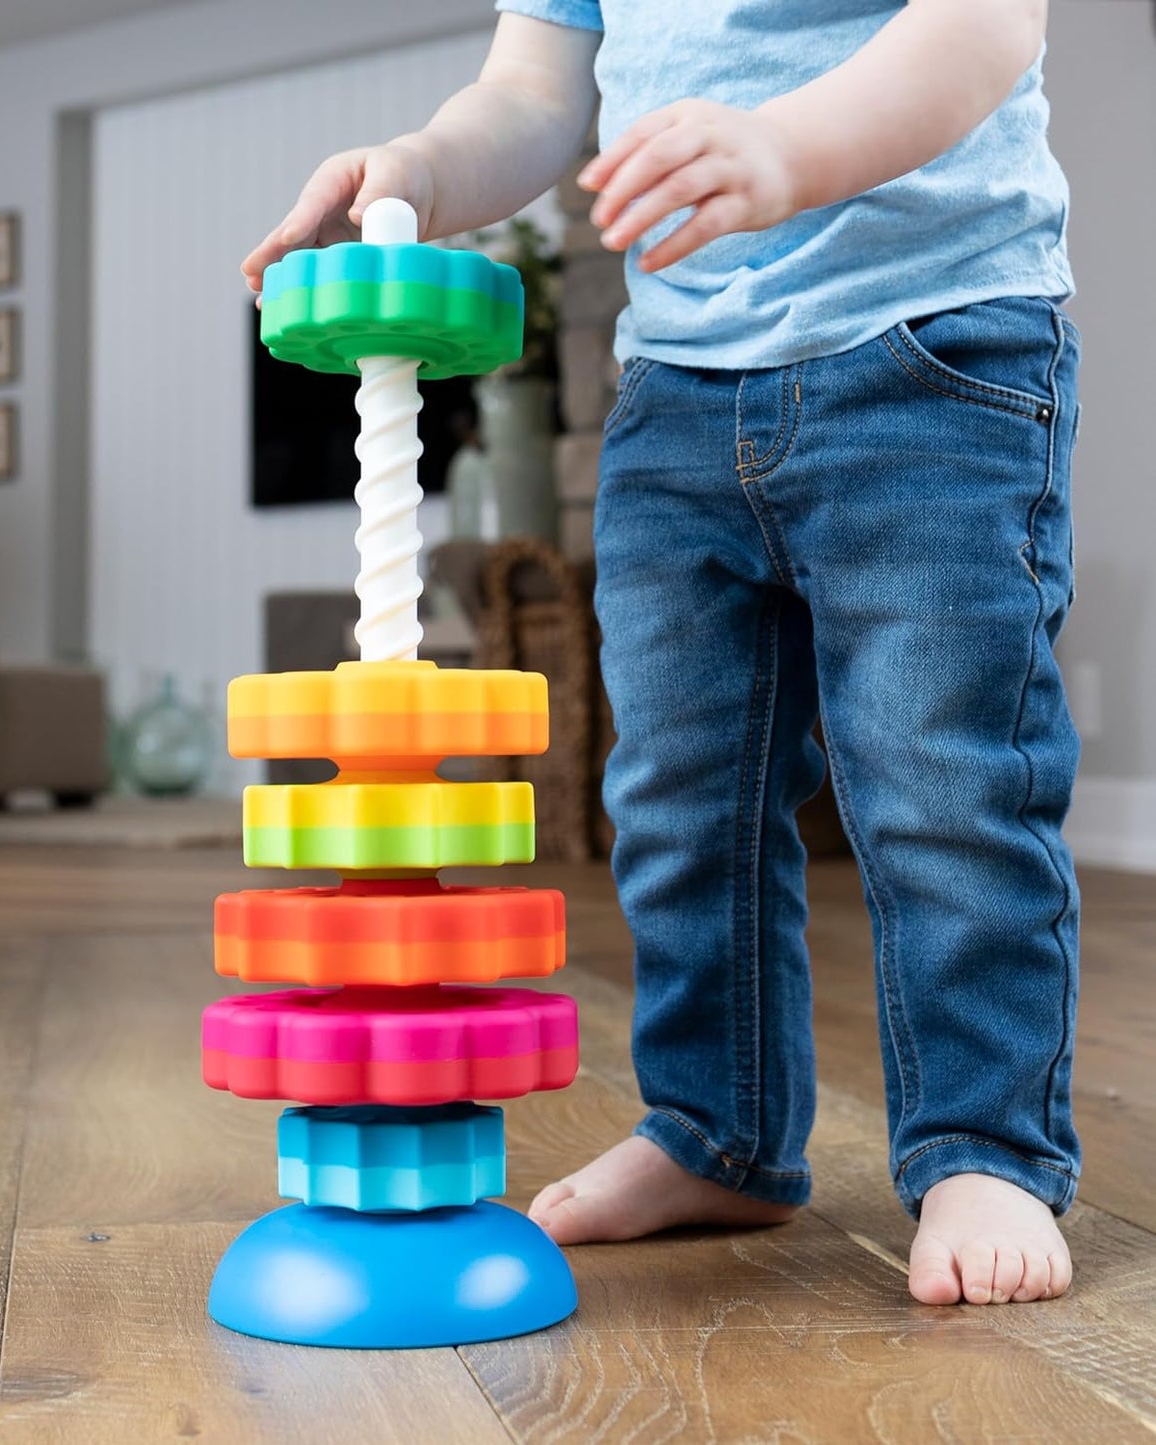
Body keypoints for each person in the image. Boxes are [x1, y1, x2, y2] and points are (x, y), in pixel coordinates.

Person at [242, 0, 1080, 1307]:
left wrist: (787, 152)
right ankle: (717, 1128)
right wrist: (417, 168)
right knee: (679, 798)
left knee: (940, 785)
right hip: (678, 389)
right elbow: (528, 93)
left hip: (932, 348)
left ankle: (985, 1147)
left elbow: (984, 26)